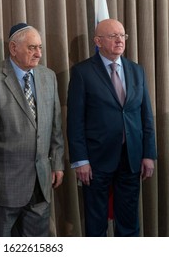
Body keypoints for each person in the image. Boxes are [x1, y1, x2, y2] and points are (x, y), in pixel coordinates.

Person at [67, 18, 157, 237]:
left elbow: (146, 116)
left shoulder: (136, 70)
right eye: (113, 36)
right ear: (98, 41)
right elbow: (75, 121)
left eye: (122, 35)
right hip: (96, 161)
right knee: (96, 224)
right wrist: (81, 160)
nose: (120, 40)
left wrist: (148, 154)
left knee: (129, 222)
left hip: (131, 158)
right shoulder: (82, 72)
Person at [0, 23, 64, 237]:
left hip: (41, 183)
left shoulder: (48, 76)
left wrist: (57, 162)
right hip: (5, 187)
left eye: (40, 48)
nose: (38, 53)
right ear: (13, 48)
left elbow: (55, 126)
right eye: (32, 48)